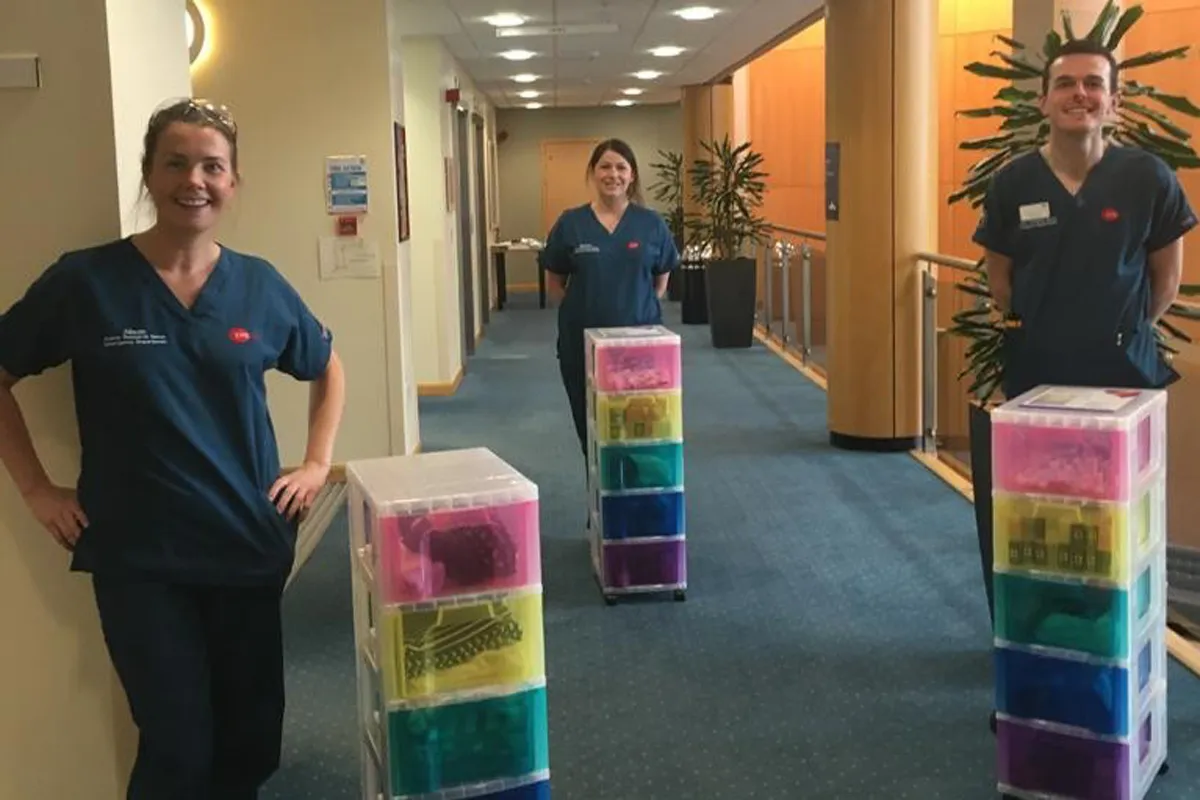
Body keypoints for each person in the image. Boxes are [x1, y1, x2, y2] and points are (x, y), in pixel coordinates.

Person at [0, 98, 346, 799]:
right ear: (150, 175)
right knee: (177, 748)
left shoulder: (258, 285)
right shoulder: (85, 282)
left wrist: (315, 463)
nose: (196, 179)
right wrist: (36, 488)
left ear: (233, 181)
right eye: (177, 162)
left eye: (212, 166)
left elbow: (326, 365)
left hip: (245, 546)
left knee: (249, 742)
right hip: (140, 557)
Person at [971, 39, 1195, 733]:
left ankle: (1114, 672)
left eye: (1093, 85)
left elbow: (1167, 280)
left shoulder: (1147, 177)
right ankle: (1041, 675)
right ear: (1042, 99)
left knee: (1117, 536)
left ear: (1113, 99)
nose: (1079, 95)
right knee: (1038, 531)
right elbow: (998, 277)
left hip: (1122, 387)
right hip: (1036, 384)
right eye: (1064, 83)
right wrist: (1025, 333)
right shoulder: (1014, 182)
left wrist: (1122, 332)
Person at [539, 138, 680, 457]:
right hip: (582, 345)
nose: (612, 174)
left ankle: (634, 503)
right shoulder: (571, 223)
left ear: (632, 176)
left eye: (621, 167)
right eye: (605, 166)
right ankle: (599, 503)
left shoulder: (651, 224)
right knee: (591, 431)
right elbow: (555, 282)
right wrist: (584, 312)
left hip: (639, 345)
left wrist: (632, 311)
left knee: (638, 430)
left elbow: (660, 282)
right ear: (593, 172)